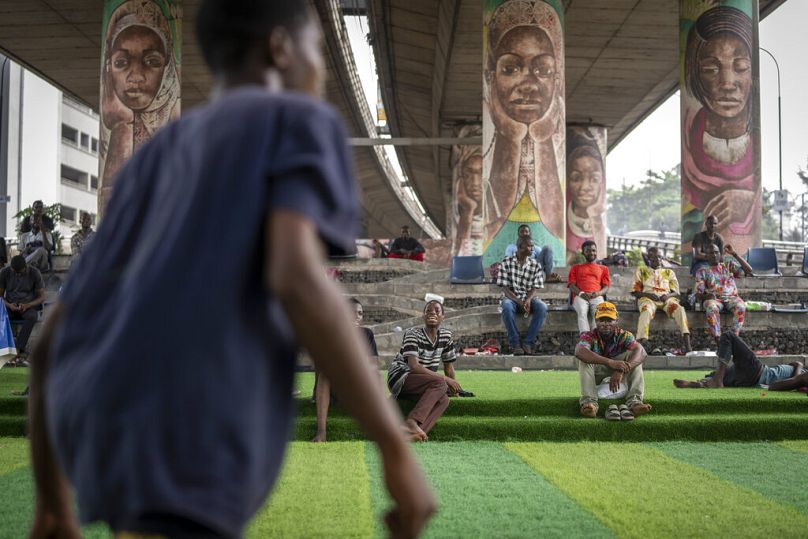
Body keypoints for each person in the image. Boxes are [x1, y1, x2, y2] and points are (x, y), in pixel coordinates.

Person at [28, 3, 435, 538]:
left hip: (106, 438)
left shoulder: (155, 156)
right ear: (282, 48)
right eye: (315, 50)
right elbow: (296, 277)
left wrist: (53, 501)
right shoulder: (297, 121)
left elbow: (50, 339)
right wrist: (392, 448)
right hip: (199, 435)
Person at [483, 0, 564, 252]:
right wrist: (508, 131)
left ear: (557, 80)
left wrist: (543, 134)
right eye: (510, 68)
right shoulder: (487, 157)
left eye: (542, 69)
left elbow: (557, 227)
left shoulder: (561, 150)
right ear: (491, 77)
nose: (528, 83)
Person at [681, 6, 759, 259]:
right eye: (711, 70)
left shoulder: (755, 143)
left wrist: (748, 201)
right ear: (695, 73)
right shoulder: (688, 135)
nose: (727, 83)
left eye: (741, 67)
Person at [100, 0, 181, 208]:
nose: (135, 76)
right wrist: (121, 126)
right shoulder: (114, 129)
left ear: (167, 67)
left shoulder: (180, 131)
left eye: (152, 61)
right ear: (108, 70)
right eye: (121, 63)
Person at [387, 300, 462, 441]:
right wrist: (446, 380)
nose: (432, 312)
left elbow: (448, 366)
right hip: (401, 377)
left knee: (444, 400)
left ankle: (414, 434)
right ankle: (411, 422)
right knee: (440, 383)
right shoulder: (412, 334)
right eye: (428, 311)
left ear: (443, 317)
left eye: (437, 311)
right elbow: (413, 366)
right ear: (423, 316)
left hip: (423, 382)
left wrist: (454, 389)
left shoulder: (446, 336)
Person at [312, 298, 379, 443]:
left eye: (360, 313)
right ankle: (321, 431)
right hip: (335, 389)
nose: (356, 317)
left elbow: (373, 364)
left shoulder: (367, 334)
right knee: (325, 375)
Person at [575, 302, 651, 420]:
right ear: (596, 320)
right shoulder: (589, 336)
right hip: (597, 377)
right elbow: (579, 351)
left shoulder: (625, 335)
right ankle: (590, 404)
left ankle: (635, 402)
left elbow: (641, 352)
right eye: (602, 320)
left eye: (609, 320)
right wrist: (610, 362)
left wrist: (621, 370)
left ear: (616, 321)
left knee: (635, 356)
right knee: (584, 360)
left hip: (621, 377)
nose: (605, 324)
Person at [674, 333, 807, 390]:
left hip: (759, 374)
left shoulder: (802, 377)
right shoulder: (803, 375)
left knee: (728, 336)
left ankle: (716, 381)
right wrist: (798, 370)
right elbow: (797, 370)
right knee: (712, 374)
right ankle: (707, 382)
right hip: (751, 378)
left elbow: (790, 382)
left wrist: (798, 370)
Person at [631, 247, 691, 353]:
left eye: (659, 256)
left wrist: (667, 296)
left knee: (680, 309)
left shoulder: (669, 272)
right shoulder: (641, 271)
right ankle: (641, 344)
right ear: (648, 259)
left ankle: (688, 345)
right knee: (646, 311)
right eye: (653, 257)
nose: (657, 259)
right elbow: (635, 292)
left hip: (666, 300)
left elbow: (676, 292)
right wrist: (649, 295)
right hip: (648, 299)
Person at [694, 243, 754, 346]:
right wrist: (707, 296)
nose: (714, 255)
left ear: (720, 254)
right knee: (711, 308)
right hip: (714, 299)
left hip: (732, 298)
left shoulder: (728, 265)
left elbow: (749, 270)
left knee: (741, 306)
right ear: (706, 256)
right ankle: (719, 340)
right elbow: (698, 294)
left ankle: (732, 338)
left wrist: (734, 254)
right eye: (711, 253)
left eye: (716, 252)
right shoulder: (702, 271)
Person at [497, 236, 547, 355]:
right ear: (520, 247)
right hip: (511, 298)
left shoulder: (535, 264)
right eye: (530, 246)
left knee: (542, 307)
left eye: (532, 246)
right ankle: (515, 344)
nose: (532, 248)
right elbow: (505, 288)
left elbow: (535, 287)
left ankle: (528, 343)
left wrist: (528, 300)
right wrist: (519, 301)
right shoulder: (506, 262)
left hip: (528, 297)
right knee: (507, 307)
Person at [566, 139, 606, 264]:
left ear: (602, 182)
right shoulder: (556, 220)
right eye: (576, 178)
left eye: (594, 179)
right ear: (567, 181)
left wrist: (595, 215)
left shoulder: (600, 221)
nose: (584, 187)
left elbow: (601, 259)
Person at [0, 255, 45, 360]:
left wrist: (28, 305)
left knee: (32, 316)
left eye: (19, 272)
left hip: (27, 305)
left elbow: (42, 296)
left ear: (25, 267)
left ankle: (18, 348)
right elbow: (0, 295)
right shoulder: (4, 272)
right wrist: (8, 305)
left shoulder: (34, 273)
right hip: (10, 304)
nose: (17, 274)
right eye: (14, 272)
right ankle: (4, 348)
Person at [451, 125, 485, 256]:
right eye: (469, 174)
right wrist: (468, 210)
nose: (475, 183)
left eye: (481, 173)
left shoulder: (499, 218)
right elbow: (459, 255)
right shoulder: (458, 216)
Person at [568, 240, 610, 334]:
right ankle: (585, 338)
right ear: (583, 253)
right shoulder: (576, 268)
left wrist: (598, 293)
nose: (591, 253)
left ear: (596, 252)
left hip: (596, 295)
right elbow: (571, 285)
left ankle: (596, 337)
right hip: (580, 296)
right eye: (588, 251)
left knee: (598, 314)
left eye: (593, 250)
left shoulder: (603, 268)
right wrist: (581, 293)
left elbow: (606, 287)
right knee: (582, 311)